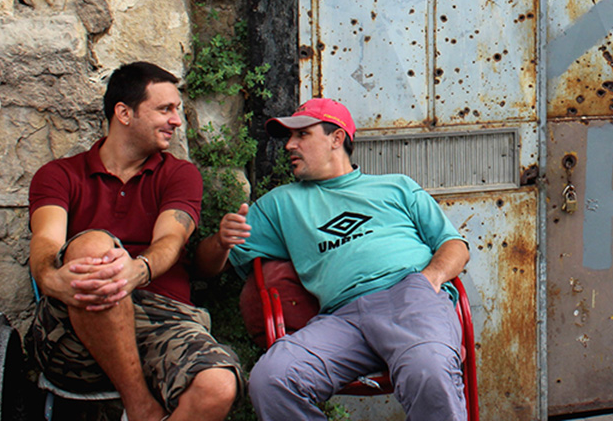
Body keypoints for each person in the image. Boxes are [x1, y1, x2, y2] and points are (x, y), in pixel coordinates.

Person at [194, 97, 470, 421]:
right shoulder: (280, 204)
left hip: (410, 297)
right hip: (341, 318)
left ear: (336, 138)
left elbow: (454, 245)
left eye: (302, 135)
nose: (289, 146)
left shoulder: (396, 188)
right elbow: (205, 267)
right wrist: (221, 241)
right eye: (288, 138)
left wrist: (429, 280)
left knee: (428, 370)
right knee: (272, 378)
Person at [27, 61, 242, 421]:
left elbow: (171, 239)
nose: (177, 120)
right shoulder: (59, 175)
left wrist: (136, 272)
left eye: (177, 109)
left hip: (165, 322)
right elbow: (45, 244)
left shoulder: (180, 174)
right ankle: (140, 405)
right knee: (93, 248)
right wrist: (52, 281)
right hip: (75, 330)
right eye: (165, 109)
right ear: (124, 113)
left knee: (217, 386)